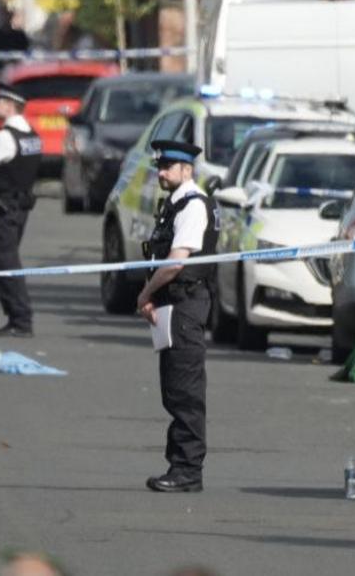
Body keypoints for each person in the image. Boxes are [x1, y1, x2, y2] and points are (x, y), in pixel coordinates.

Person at [136, 140, 219, 493]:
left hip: (185, 303)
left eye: (169, 166)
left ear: (187, 169)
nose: (162, 172)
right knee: (173, 389)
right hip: (174, 303)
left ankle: (187, 470)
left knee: (185, 391)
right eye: (160, 165)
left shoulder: (193, 206)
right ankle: (180, 464)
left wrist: (144, 293)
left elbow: (176, 261)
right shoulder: (174, 204)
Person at [0, 85, 41, 337]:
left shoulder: (5, 136)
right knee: (9, 258)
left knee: (4, 261)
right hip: (21, 206)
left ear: (10, 105)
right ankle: (17, 318)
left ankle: (20, 319)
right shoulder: (32, 134)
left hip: (4, 206)